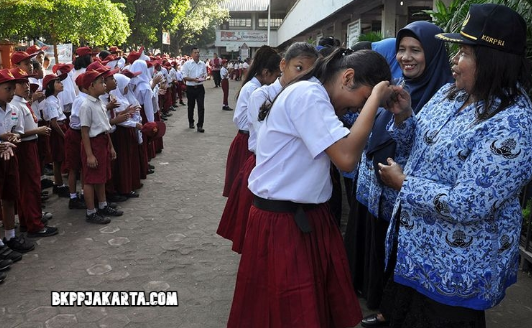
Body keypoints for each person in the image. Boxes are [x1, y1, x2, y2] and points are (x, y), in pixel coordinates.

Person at [377, 4, 532, 327]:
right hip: (414, 249)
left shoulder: (512, 126)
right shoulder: (451, 93)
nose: (454, 61)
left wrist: (404, 184)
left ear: (491, 61)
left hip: (456, 270)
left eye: (463, 53)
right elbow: (417, 148)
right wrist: (405, 116)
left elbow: (469, 203)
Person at [227, 48, 393, 327]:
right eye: (361, 101)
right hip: (285, 222)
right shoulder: (308, 95)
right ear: (347, 77)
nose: (357, 110)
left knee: (304, 312)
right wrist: (376, 98)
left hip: (298, 217)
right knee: (292, 315)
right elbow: (347, 159)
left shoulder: (313, 94)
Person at [344, 21, 454, 326]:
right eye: (402, 49)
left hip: (401, 199)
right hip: (372, 190)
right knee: (369, 248)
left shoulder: (442, 98)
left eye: (415, 50)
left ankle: (385, 309)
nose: (406, 57)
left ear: (432, 54)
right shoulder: (397, 85)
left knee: (392, 257)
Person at [217, 42, 319, 253]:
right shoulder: (259, 93)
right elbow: (253, 128)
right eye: (298, 68)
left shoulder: (304, 94)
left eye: (309, 72)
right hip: (262, 159)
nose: (302, 77)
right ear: (282, 66)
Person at [222, 45, 281, 197]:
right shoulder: (255, 90)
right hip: (247, 142)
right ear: (266, 73)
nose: (277, 81)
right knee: (245, 192)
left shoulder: (257, 86)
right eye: (277, 76)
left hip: (246, 139)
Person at [9, 68, 58, 238]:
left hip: (29, 145)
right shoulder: (15, 105)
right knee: (29, 186)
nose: (27, 86)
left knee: (29, 186)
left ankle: (29, 219)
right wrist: (38, 130)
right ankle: (34, 224)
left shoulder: (21, 102)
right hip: (24, 147)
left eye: (27, 82)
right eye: (21, 83)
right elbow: (17, 132)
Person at [0, 69, 35, 255]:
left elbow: (19, 132)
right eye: (8, 88)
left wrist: (14, 138)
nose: (12, 92)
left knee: (9, 197)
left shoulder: (13, 109)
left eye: (13, 88)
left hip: (10, 156)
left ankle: (10, 235)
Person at [79, 69, 119, 224]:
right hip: (92, 144)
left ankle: (102, 205)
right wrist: (89, 154)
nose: (104, 85)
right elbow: (84, 132)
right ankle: (91, 212)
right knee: (90, 179)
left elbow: (105, 127)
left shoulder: (100, 102)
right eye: (101, 82)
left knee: (101, 177)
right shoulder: (86, 105)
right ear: (91, 86)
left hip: (102, 141)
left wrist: (111, 146)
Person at [182, 47, 207, 133]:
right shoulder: (187, 64)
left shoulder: (202, 64)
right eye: (195, 52)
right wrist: (193, 79)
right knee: (191, 106)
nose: (197, 54)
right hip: (191, 88)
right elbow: (184, 76)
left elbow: (205, 75)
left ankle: (200, 125)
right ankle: (191, 121)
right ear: (192, 54)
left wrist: (202, 78)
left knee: (201, 107)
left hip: (200, 88)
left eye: (198, 52)